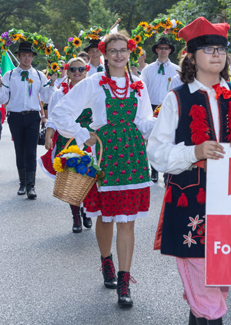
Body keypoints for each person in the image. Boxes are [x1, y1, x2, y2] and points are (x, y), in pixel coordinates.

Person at [148, 17, 231, 325]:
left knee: (217, 282)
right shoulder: (177, 98)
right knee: (204, 284)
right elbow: (157, 153)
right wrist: (194, 152)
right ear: (191, 56)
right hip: (190, 201)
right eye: (208, 49)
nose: (217, 54)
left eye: (221, 49)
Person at [52, 31, 155, 308]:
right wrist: (83, 134)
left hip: (133, 156)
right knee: (107, 216)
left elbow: (144, 120)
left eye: (123, 50)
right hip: (106, 155)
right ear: (104, 54)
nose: (119, 55)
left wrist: (163, 125)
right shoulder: (94, 82)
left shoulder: (139, 83)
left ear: (129, 53)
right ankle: (106, 261)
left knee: (128, 219)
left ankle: (124, 280)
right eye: (113, 51)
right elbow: (60, 112)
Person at [0, 41, 57, 199]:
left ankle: (31, 186)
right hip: (15, 116)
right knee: (19, 150)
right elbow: (1, 99)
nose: (27, 59)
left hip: (33, 117)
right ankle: (22, 183)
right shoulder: (9, 75)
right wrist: (0, 85)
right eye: (24, 56)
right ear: (18, 56)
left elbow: (45, 97)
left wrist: (52, 84)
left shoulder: (38, 75)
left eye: (29, 56)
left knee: (31, 150)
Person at [38, 57, 93, 233]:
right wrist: (48, 136)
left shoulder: (93, 92)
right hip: (67, 140)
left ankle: (86, 211)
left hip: (87, 138)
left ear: (86, 71)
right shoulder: (59, 93)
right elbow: (53, 117)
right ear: (68, 72)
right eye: (73, 69)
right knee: (71, 178)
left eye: (81, 69)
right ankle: (76, 216)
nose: (77, 72)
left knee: (89, 176)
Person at [140, 37, 180, 182]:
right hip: (151, 106)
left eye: (166, 48)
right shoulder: (148, 69)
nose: (163, 51)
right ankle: (154, 169)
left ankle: (168, 169)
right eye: (160, 48)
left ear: (169, 50)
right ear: (156, 50)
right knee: (152, 138)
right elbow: (142, 89)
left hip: (168, 106)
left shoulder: (177, 69)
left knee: (169, 137)